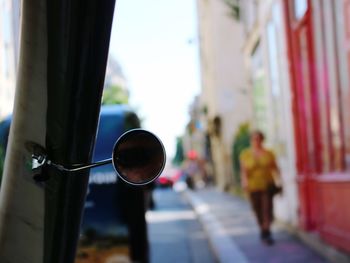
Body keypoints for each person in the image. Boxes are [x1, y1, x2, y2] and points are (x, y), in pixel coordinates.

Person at [239, 130, 282, 245]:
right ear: (251, 141)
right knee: (257, 210)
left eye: (259, 139)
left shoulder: (269, 153)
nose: (257, 141)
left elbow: (275, 168)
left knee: (267, 209)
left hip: (267, 185)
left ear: (262, 140)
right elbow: (243, 171)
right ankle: (263, 229)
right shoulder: (245, 154)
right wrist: (244, 182)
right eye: (254, 139)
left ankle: (266, 231)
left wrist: (279, 182)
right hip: (253, 186)